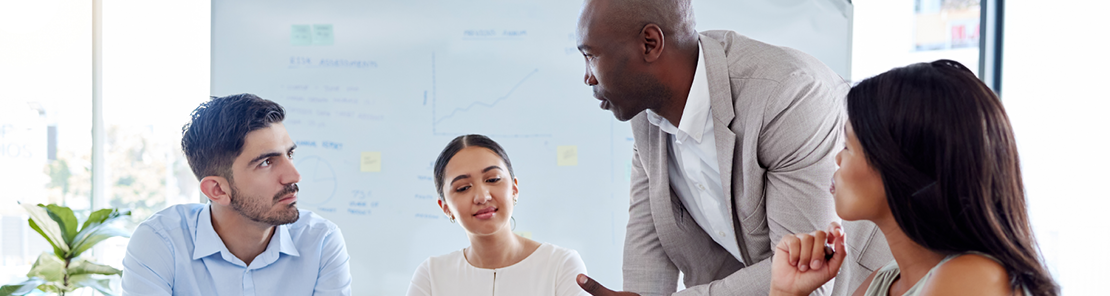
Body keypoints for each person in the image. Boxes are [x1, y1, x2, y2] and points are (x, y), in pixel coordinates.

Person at [573, 0, 890, 295]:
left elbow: (804, 273)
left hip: (865, 283)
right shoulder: (647, 115)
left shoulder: (787, 95)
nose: (587, 78)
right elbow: (648, 246)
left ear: (650, 44)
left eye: (590, 55)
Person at [769, 60, 1059, 296]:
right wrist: (786, 292)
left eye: (848, 146)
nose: (838, 159)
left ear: (901, 163)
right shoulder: (882, 283)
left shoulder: (974, 277)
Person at [121, 94, 352, 295]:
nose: (294, 176)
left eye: (289, 154)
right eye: (266, 162)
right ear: (218, 190)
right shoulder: (161, 242)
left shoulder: (321, 241)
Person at [406, 134, 589, 296]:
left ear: (514, 188)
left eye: (493, 179)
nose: (482, 197)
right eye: (463, 188)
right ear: (445, 208)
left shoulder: (560, 265)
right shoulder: (431, 276)